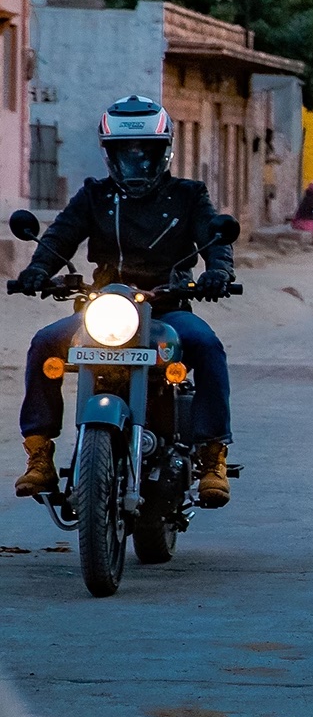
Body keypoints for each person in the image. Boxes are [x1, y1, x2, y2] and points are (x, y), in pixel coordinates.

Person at [11, 95, 236, 507]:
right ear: (110, 154)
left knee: (206, 346)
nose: (137, 162)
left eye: (146, 152)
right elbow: (61, 235)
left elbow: (213, 238)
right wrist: (37, 270)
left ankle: (211, 456)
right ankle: (40, 453)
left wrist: (218, 272)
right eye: (125, 153)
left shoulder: (188, 195)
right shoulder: (94, 195)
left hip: (167, 308)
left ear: (163, 151)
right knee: (45, 342)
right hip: (105, 306)